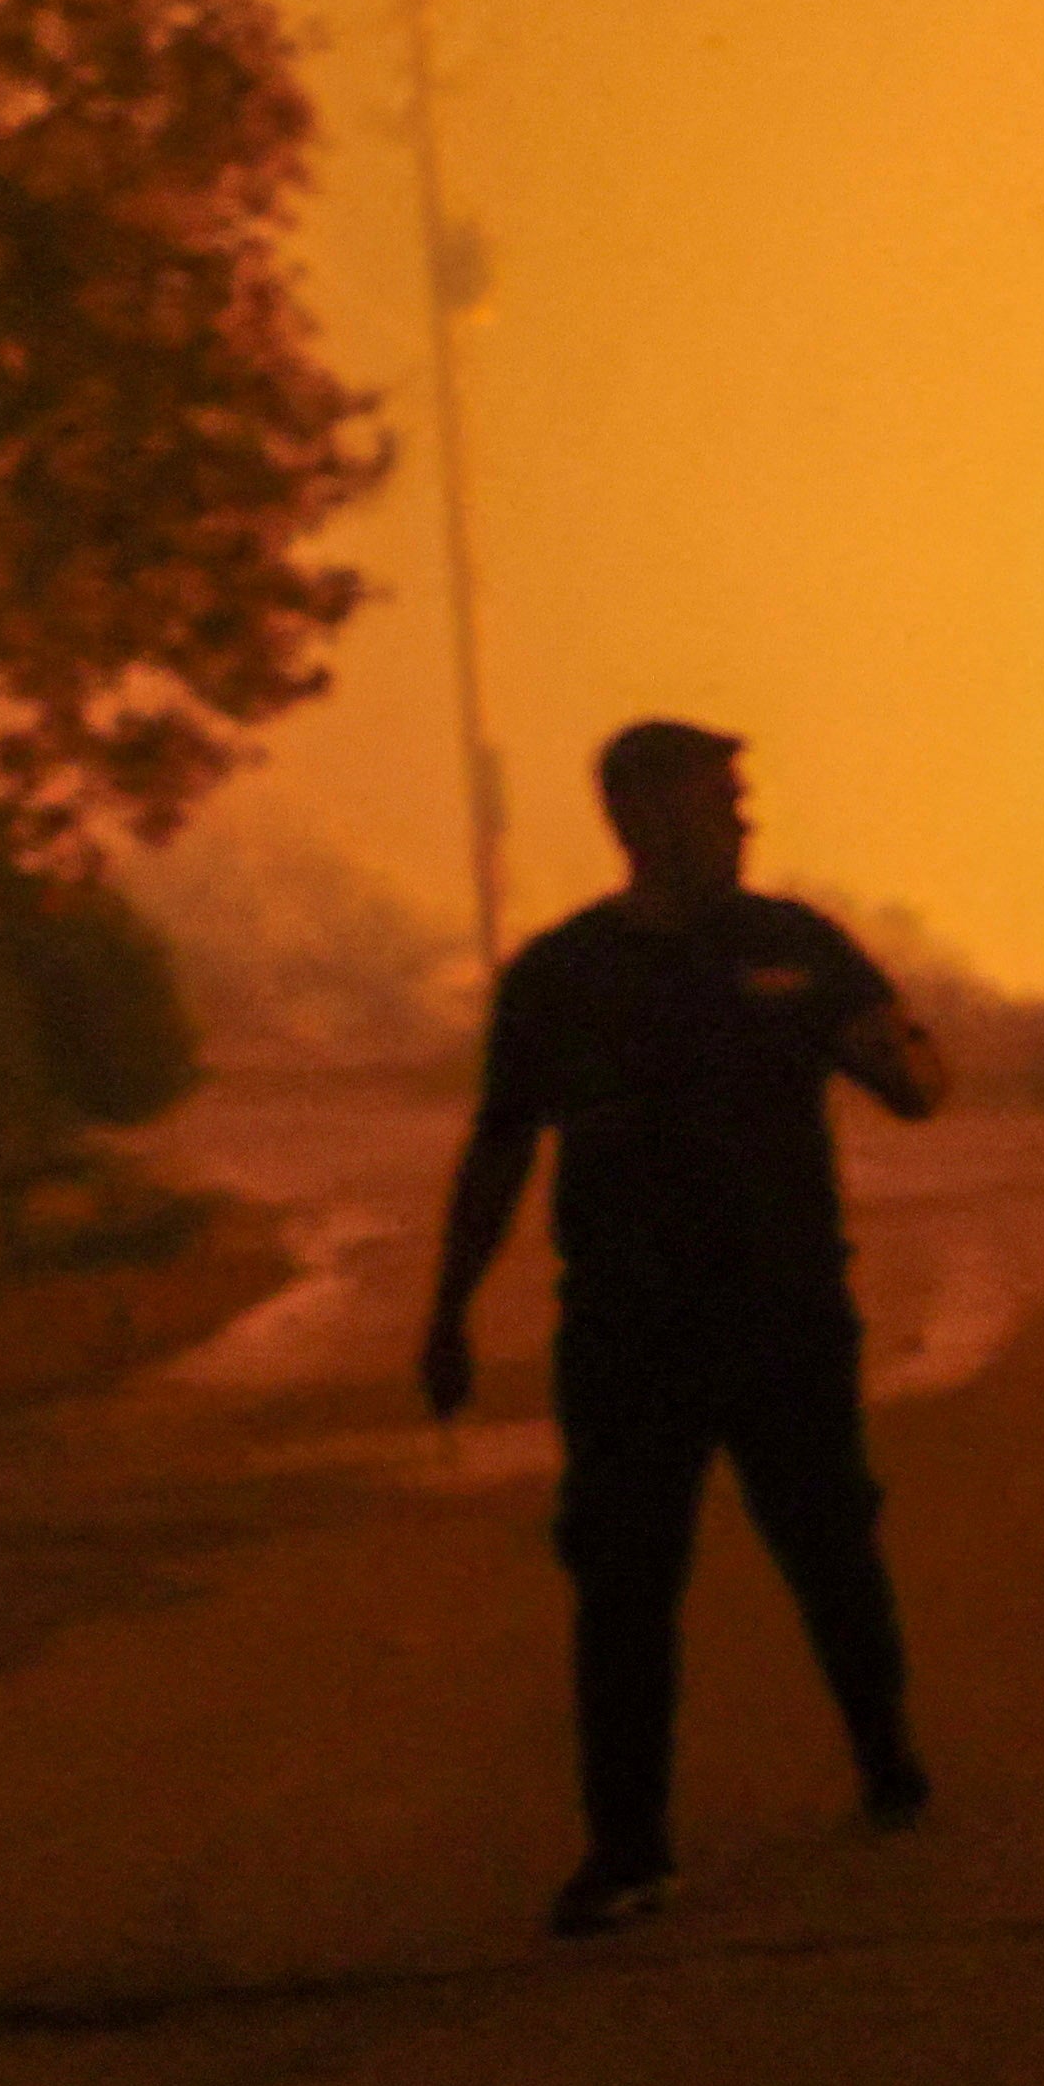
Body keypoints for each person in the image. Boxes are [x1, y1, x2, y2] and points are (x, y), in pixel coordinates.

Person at [422, 717, 948, 1938]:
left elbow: (914, 1080)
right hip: (626, 1332)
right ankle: (627, 1846)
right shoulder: (562, 978)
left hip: (786, 1317)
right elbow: (502, 1142)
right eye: (722, 800)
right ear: (643, 815)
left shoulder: (794, 945)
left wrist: (896, 1054)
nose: (744, 820)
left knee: (830, 1547)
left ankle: (887, 1754)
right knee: (621, 1581)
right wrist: (446, 1311)